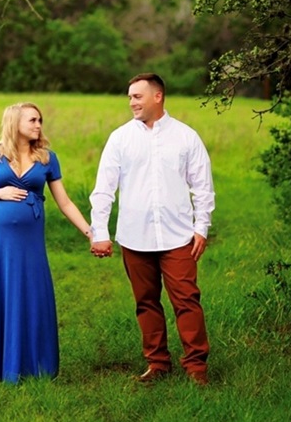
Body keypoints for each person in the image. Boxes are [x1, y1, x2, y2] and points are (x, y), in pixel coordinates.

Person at [89, 73, 215, 385]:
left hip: (178, 237)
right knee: (146, 302)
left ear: (157, 97)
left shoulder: (186, 137)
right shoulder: (120, 138)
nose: (131, 102)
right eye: (130, 97)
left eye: (137, 96)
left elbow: (202, 187)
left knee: (187, 300)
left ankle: (196, 367)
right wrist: (100, 231)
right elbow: (104, 189)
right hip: (134, 236)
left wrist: (202, 227)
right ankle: (158, 364)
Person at [0, 102, 92, 383]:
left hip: (30, 239)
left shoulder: (47, 158)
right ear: (15, 123)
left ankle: (40, 366)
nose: (39, 125)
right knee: (5, 293)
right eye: (33, 120)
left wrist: (90, 232)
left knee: (34, 292)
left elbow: (64, 202)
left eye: (40, 120)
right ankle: (7, 367)